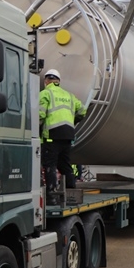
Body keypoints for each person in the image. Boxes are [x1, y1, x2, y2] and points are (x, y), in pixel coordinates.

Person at [39, 69, 86, 204]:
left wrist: (35, 130)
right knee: (65, 164)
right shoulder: (69, 95)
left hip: (51, 135)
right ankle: (71, 192)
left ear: (46, 81)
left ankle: (51, 196)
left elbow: (40, 115)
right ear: (58, 81)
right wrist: (72, 121)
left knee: (50, 165)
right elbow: (82, 111)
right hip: (67, 135)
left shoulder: (45, 93)